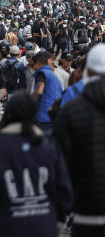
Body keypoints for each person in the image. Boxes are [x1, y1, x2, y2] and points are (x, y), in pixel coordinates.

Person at [0, 93, 73, 237]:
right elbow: (64, 191)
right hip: (44, 226)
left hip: (4, 227)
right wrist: (59, 220)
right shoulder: (49, 146)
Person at [53, 44, 105, 237]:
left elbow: (59, 165)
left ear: (87, 70)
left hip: (85, 210)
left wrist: (59, 213)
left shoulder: (71, 111)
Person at [31, 52, 63, 135]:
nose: (32, 68)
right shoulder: (52, 75)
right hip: (54, 115)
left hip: (43, 115)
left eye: (32, 65)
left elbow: (39, 92)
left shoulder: (41, 73)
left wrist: (27, 102)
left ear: (38, 62)